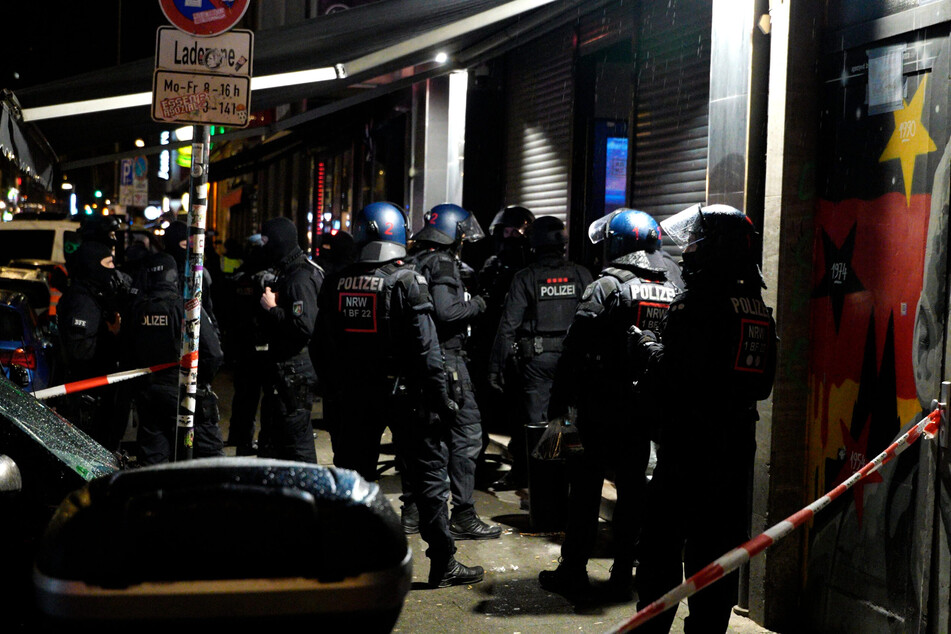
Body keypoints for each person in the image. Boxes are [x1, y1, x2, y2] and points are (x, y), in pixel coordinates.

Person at [315, 201, 484, 588]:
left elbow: (321, 346)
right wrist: (442, 399)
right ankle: (443, 561)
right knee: (428, 479)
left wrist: (334, 392)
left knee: (353, 477)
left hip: (356, 394)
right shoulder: (406, 280)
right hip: (407, 394)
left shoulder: (337, 281)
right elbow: (428, 351)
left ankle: (351, 559)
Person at [629, 204, 778, 633]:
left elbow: (674, 378)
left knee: (660, 546)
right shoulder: (756, 307)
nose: (687, 250)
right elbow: (762, 385)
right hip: (734, 448)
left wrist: (647, 347)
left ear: (714, 247)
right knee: (717, 551)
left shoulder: (697, 304)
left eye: (695, 240)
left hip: (688, 445)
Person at [539, 209, 680, 603]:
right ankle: (623, 571)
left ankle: (573, 571)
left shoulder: (607, 285)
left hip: (601, 407)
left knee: (584, 491)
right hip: (647, 409)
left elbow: (575, 348)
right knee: (633, 493)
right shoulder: (674, 284)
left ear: (618, 243)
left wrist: (559, 403)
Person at [406, 203, 500, 540]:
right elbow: (447, 312)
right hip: (448, 362)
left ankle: (414, 513)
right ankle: (463, 514)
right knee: (467, 435)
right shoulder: (443, 262)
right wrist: (480, 303)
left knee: (426, 438)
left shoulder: (415, 258)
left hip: (421, 362)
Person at [487, 215, 593, 490]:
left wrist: (495, 368)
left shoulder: (526, 277)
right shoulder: (581, 274)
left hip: (536, 361)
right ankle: (573, 483)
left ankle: (541, 486)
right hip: (574, 360)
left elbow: (507, 326)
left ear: (534, 244)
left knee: (537, 424)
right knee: (571, 420)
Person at [126, 252, 225, 464]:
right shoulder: (185, 307)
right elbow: (214, 353)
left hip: (150, 393)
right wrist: (200, 380)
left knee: (153, 463)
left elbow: (129, 350)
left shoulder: (137, 308)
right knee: (209, 460)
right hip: (184, 391)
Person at [470, 206, 534, 486]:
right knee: (481, 408)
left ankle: (521, 469)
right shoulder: (492, 264)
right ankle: (475, 463)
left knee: (521, 412)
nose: (509, 237)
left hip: (521, 347)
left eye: (514, 232)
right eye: (505, 232)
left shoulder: (532, 267)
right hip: (489, 345)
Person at [256, 216, 324, 463]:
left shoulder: (299, 277)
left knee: (297, 444)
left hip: (295, 372)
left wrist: (272, 308)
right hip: (287, 370)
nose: (263, 248)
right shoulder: (292, 271)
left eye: (266, 242)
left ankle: (311, 497)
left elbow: (305, 326)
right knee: (277, 441)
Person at [57, 240, 125, 449]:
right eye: (107, 264)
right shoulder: (82, 300)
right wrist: (112, 335)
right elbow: (81, 351)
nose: (113, 269)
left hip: (95, 391)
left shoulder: (93, 293)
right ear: (93, 265)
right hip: (87, 396)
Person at [224, 234, 272, 455]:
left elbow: (230, 313)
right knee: (261, 396)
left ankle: (240, 437)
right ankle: (254, 440)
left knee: (244, 394)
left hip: (241, 342)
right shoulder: (265, 279)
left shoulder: (239, 279)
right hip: (260, 343)